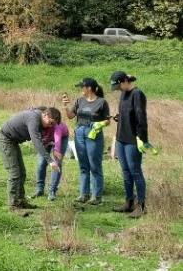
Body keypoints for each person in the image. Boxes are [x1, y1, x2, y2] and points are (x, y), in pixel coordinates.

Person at [0, 107, 61, 211]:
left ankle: (21, 201)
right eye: (51, 122)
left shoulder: (40, 119)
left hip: (12, 142)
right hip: (5, 139)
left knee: (22, 172)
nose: (51, 125)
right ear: (45, 115)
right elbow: (36, 142)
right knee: (14, 174)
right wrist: (50, 161)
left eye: (53, 124)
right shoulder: (34, 119)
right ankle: (12, 205)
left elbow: (39, 139)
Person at [62, 78, 110, 205]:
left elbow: (107, 121)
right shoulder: (79, 101)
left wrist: (99, 124)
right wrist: (65, 106)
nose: (80, 89)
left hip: (93, 134)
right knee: (83, 165)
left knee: (94, 165)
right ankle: (84, 194)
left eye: (82, 87)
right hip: (79, 133)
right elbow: (70, 116)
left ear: (89, 88)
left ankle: (97, 196)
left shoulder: (101, 102)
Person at [110, 71, 148, 219]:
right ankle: (129, 202)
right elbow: (128, 113)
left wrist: (141, 138)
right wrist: (120, 117)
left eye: (118, 85)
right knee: (126, 172)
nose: (118, 88)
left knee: (135, 171)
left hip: (133, 140)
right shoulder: (123, 94)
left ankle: (141, 206)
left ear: (125, 81)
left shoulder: (137, 94)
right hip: (121, 138)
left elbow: (141, 118)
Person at [30, 119, 69, 201]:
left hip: (61, 138)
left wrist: (56, 151)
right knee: (41, 163)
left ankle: (52, 191)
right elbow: (36, 139)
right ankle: (40, 189)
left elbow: (57, 140)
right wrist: (44, 143)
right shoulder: (37, 124)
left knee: (57, 163)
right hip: (47, 139)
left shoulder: (57, 126)